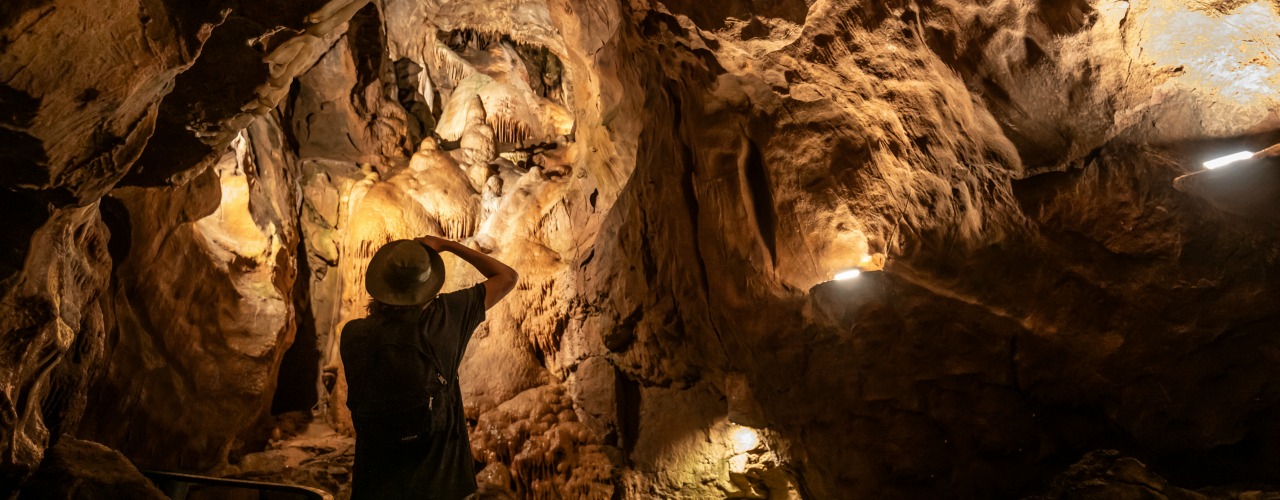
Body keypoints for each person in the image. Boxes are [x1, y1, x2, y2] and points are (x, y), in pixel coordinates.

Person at [340, 235, 518, 500]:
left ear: (381, 284)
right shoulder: (447, 318)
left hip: (375, 485)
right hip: (441, 486)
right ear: (428, 287)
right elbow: (506, 276)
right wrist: (447, 245)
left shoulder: (354, 335)